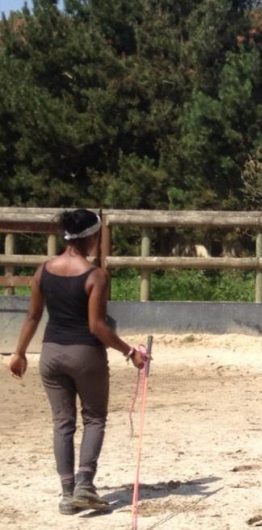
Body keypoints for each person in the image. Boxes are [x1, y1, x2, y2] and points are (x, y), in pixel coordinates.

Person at [8, 208, 148, 515]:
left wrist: (18, 353)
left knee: (62, 423)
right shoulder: (96, 275)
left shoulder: (44, 270)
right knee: (94, 418)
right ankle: (85, 484)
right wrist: (130, 353)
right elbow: (97, 326)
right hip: (85, 354)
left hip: (51, 353)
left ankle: (67, 493)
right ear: (92, 237)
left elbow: (33, 315)